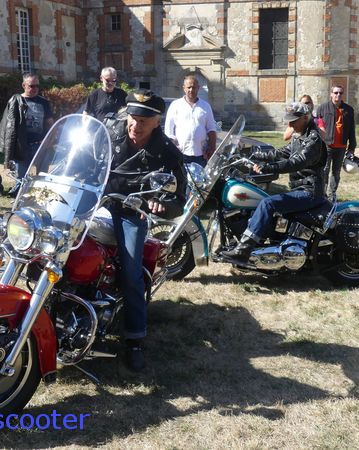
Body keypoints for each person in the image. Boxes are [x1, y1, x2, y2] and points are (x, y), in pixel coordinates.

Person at [102, 89, 187, 371]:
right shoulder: (109, 134)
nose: (135, 125)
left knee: (131, 271)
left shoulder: (167, 153)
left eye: (143, 121)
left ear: (157, 122)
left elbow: (179, 200)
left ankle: (134, 339)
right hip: (95, 205)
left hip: (130, 212)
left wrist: (162, 204)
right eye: (132, 118)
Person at [221, 102, 327, 263]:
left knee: (267, 203)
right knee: (258, 200)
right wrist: (251, 153)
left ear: (305, 118)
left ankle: (243, 250)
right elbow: (280, 153)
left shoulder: (313, 140)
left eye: (293, 121)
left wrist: (268, 168)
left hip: (310, 192)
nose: (290, 124)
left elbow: (295, 163)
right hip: (299, 190)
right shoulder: (300, 136)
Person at [0, 73, 54, 195]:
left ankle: (41, 197)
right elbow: (7, 125)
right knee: (21, 178)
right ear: (24, 85)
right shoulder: (16, 101)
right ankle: (19, 199)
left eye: (37, 86)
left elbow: (51, 123)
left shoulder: (44, 102)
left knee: (43, 176)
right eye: (31, 86)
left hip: (40, 145)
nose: (35, 88)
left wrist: (49, 140)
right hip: (22, 146)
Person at [164, 74, 217, 166]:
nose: (191, 90)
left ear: (198, 88)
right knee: (181, 176)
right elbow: (169, 130)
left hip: (200, 155)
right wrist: (172, 148)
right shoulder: (175, 105)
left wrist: (212, 148)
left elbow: (211, 129)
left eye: (194, 87)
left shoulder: (205, 106)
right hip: (180, 153)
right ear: (184, 88)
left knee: (200, 176)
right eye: (189, 87)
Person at [316, 85, 356, 198]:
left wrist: (352, 147)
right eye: (336, 92)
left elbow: (352, 129)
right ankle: (322, 194)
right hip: (326, 145)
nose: (338, 95)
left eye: (340, 93)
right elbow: (317, 127)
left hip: (341, 146)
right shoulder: (322, 108)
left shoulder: (349, 110)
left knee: (336, 172)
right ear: (331, 94)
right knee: (324, 170)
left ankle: (332, 195)